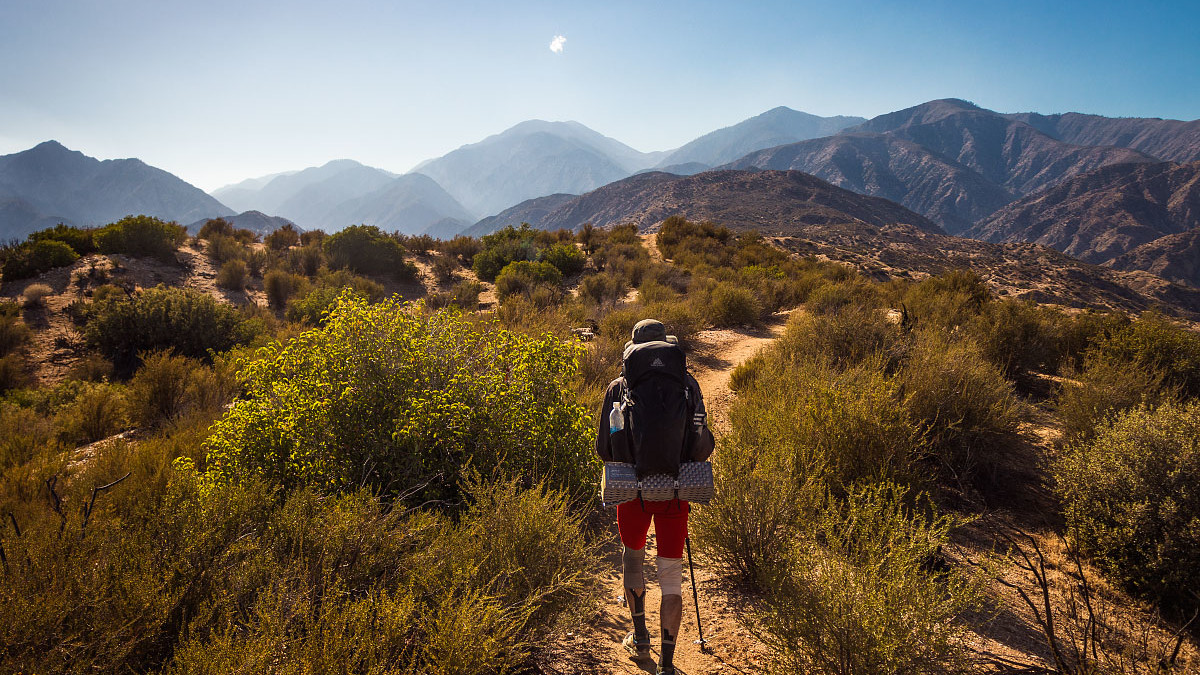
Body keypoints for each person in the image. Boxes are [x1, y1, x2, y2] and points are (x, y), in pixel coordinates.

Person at [594, 319, 715, 675]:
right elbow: (701, 447)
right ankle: (668, 662)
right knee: (671, 576)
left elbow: (605, 450)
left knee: (633, 559)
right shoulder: (688, 385)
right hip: (676, 493)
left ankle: (640, 635)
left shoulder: (619, 387)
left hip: (631, 491)